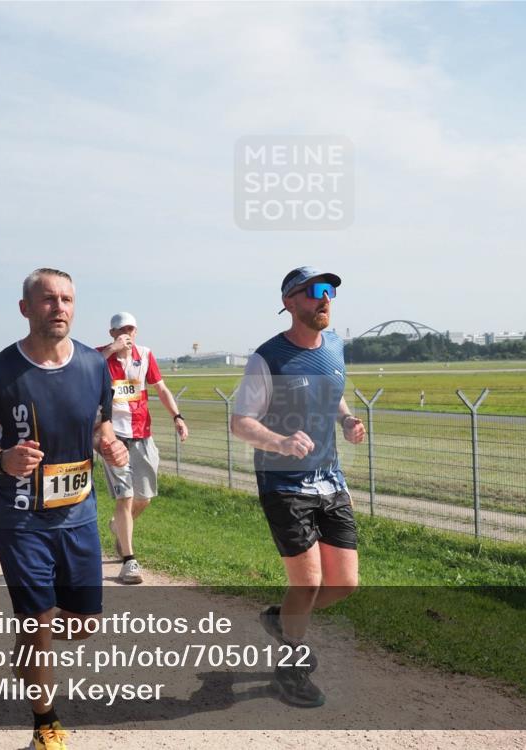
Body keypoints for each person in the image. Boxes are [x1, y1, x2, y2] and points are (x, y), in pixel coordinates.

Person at [0, 268, 128, 750]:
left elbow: (98, 425)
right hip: (21, 518)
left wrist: (110, 444)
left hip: (79, 514)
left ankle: (31, 647)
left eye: (67, 298)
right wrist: (0, 461)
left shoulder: (94, 365)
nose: (59, 307)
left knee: (84, 625)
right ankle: (45, 721)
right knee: (39, 625)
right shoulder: (0, 372)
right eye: (47, 299)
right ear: (25, 308)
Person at [230, 266, 366, 708]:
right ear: (290, 302)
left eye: (328, 292)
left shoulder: (336, 347)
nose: (324, 299)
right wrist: (280, 441)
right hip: (283, 482)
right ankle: (289, 673)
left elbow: (334, 390)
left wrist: (345, 419)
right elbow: (240, 422)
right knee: (307, 583)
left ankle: (282, 618)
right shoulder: (268, 358)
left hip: (330, 479)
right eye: (313, 293)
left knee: (345, 584)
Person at [98, 312, 188, 584]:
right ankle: (129, 560)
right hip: (113, 435)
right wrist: (111, 351)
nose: (128, 334)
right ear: (112, 333)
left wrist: (177, 417)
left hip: (142, 433)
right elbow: (82, 371)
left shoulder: (145, 355)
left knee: (144, 497)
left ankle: (118, 527)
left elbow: (160, 388)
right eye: (122, 330)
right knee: (124, 497)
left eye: (131, 329)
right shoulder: (99, 357)